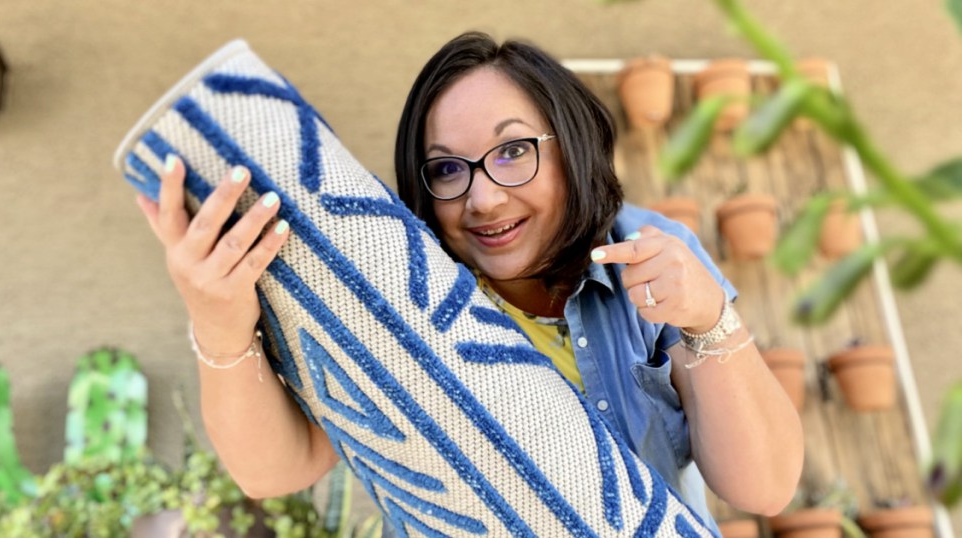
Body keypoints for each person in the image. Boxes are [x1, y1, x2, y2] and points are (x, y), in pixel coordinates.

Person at [135, 31, 803, 533]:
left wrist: (712, 318)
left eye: (512, 151)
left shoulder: (644, 254)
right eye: (447, 169)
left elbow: (764, 487)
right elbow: (276, 470)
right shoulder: (392, 290)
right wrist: (218, 320)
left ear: (570, 146)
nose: (480, 199)